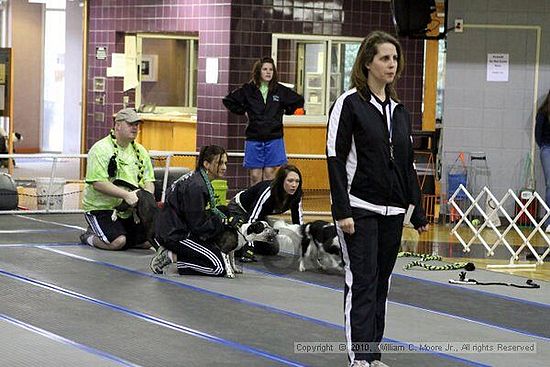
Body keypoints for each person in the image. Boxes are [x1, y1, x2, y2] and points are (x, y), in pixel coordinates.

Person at [326, 31, 429, 367]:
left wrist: (417, 211)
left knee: (382, 284)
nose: (392, 64)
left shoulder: (399, 111)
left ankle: (373, 355)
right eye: (385, 58)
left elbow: (406, 163)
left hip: (392, 212)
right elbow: (335, 159)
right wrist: (342, 209)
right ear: (367, 62)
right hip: (357, 210)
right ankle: (358, 358)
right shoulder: (349, 104)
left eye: (395, 58)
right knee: (362, 282)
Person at [150, 145, 233, 276]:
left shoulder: (197, 178)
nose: (224, 167)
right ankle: (171, 257)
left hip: (174, 226)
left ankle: (180, 255)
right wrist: (222, 223)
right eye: (219, 163)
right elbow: (197, 225)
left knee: (223, 211)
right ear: (206, 164)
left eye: (225, 163)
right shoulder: (196, 187)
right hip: (175, 234)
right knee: (218, 267)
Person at [80, 108, 156, 250]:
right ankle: (89, 237)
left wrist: (146, 198)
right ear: (118, 125)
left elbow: (148, 180)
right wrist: (126, 195)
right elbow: (98, 183)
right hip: (102, 208)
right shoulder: (100, 149)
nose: (135, 128)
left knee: (147, 242)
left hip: (129, 209)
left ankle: (114, 232)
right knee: (118, 242)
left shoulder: (141, 151)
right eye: (130, 124)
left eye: (137, 125)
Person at [223, 57, 304, 186]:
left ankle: (267, 203)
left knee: (270, 173)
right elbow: (228, 100)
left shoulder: (280, 90)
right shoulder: (248, 89)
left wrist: (286, 110)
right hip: (254, 136)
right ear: (258, 71)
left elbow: (298, 100)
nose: (268, 72)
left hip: (274, 137)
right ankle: (255, 203)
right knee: (255, 175)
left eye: (271, 69)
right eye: (265, 69)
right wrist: (243, 110)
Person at [227, 163, 303, 262]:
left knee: (272, 249)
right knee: (238, 245)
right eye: (290, 181)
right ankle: (239, 245)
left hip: (258, 215)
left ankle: (250, 244)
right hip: (238, 209)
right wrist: (249, 248)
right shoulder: (268, 192)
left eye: (297, 181)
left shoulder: (297, 195)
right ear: (281, 181)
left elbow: (298, 223)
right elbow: (252, 219)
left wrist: (305, 246)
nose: (294, 185)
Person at [535, 90, 550, 232]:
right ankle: (548, 221)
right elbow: (537, 135)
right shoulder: (543, 113)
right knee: (549, 184)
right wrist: (544, 148)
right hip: (547, 148)